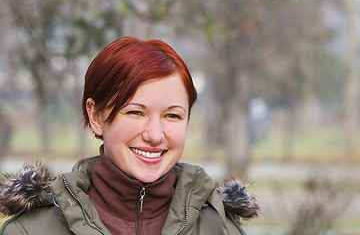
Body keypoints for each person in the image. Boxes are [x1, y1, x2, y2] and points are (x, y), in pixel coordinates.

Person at [0, 37, 259, 235]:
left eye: (172, 116)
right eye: (135, 112)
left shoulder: (220, 227)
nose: (155, 135)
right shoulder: (31, 230)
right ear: (96, 116)